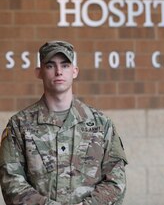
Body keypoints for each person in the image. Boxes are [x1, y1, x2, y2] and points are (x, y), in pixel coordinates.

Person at [0, 41, 128, 205]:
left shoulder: (101, 124)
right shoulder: (19, 125)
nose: (59, 72)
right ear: (39, 72)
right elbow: (11, 183)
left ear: (75, 71)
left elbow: (116, 181)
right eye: (50, 66)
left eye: (65, 65)